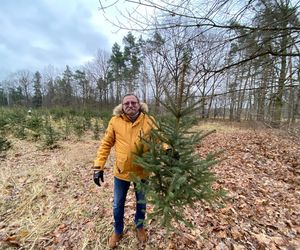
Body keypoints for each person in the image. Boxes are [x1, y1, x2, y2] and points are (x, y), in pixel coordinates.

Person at [93, 93, 154, 248]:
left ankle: (139, 226)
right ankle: (118, 230)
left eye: (134, 102)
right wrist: (98, 166)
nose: (130, 105)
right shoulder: (115, 121)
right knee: (118, 204)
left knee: (141, 203)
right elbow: (106, 144)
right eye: (127, 103)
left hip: (142, 171)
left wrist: (168, 150)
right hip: (121, 172)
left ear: (139, 105)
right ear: (122, 105)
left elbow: (161, 139)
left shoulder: (149, 120)